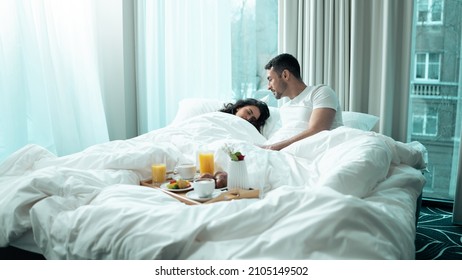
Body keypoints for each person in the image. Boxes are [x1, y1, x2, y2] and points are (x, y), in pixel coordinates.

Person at [261, 53, 343, 151]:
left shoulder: (320, 92)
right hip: (289, 152)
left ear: (285, 75)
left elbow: (318, 130)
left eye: (270, 79)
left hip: (322, 150)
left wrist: (273, 147)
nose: (268, 86)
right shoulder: (284, 108)